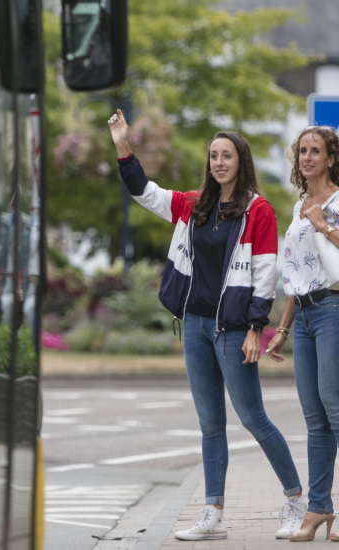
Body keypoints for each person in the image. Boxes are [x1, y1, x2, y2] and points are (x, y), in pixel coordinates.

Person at [107, 109, 304, 541]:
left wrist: (256, 328)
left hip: (234, 330)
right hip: (195, 325)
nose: (218, 162)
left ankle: (295, 502)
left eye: (227, 156)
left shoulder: (259, 211)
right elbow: (145, 191)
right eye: (213, 155)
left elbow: (265, 274)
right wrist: (123, 144)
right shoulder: (194, 204)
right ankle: (212, 511)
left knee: (253, 418)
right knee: (210, 424)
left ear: (241, 162)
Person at [265, 126, 339, 542]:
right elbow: (294, 274)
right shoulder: (298, 207)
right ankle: (319, 508)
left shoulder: (336, 201)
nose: (307, 157)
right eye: (302, 151)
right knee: (314, 418)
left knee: (335, 410)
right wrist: (283, 328)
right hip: (306, 317)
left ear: (330, 158)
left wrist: (325, 225)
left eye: (316, 151)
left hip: (333, 310)